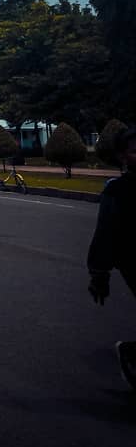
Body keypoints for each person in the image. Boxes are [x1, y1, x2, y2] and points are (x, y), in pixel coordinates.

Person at [87, 125, 136, 390]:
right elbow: (105, 233)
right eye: (135, 151)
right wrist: (99, 274)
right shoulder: (117, 190)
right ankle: (130, 353)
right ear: (122, 157)